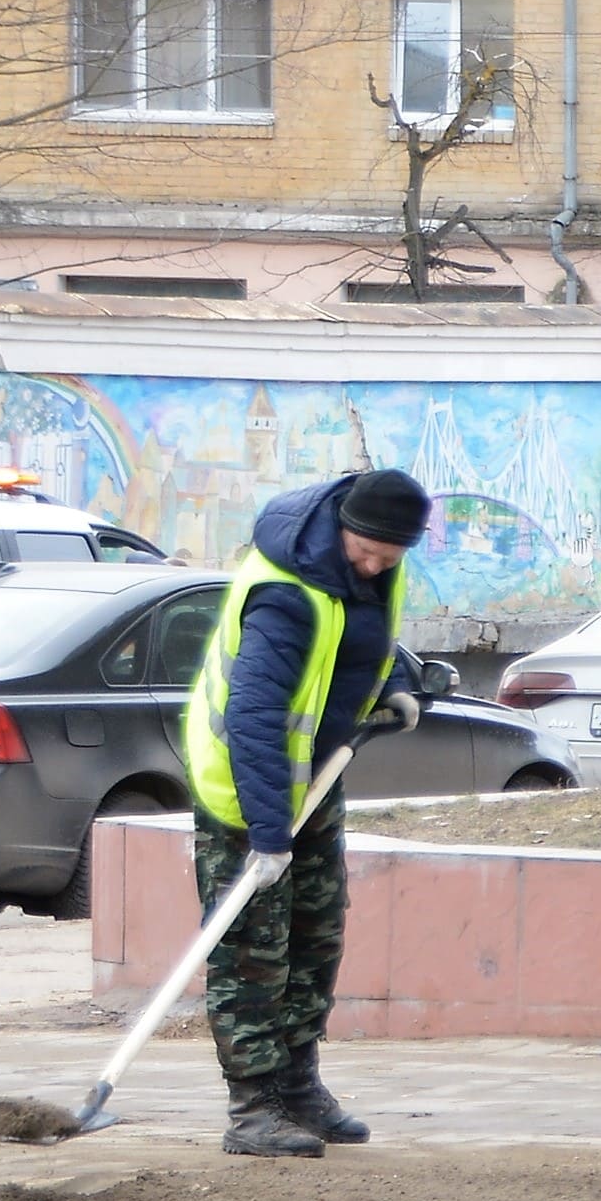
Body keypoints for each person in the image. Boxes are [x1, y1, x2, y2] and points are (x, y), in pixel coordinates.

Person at [179, 468, 432, 1157]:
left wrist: (397, 685)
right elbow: (255, 717)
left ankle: (298, 1085)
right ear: (341, 525)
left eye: (390, 554)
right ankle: (253, 1107)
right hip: (246, 786)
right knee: (252, 950)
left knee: (315, 934)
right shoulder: (284, 593)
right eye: (366, 549)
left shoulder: (371, 570)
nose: (375, 564)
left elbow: (359, 642)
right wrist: (265, 832)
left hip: (313, 779)